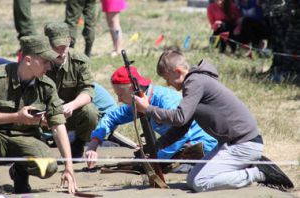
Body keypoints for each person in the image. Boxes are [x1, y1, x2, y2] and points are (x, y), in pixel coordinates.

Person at [133, 50, 294, 192]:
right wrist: (156, 147)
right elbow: (182, 126)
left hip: (243, 144)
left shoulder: (194, 82)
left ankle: (257, 172)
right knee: (191, 180)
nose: (168, 84)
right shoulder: (196, 82)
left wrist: (147, 109)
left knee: (200, 182)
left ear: (178, 71)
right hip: (232, 143)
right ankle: (247, 166)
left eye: (167, 79)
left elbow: (179, 117)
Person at [0, 35, 77, 195]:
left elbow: (58, 125)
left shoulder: (46, 85)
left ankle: (20, 173)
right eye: (45, 62)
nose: (49, 66)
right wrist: (16, 117)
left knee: (48, 167)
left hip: (27, 138)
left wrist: (69, 167)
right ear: (28, 60)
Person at [85, 66, 218, 170]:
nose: (119, 100)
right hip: (176, 146)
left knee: (177, 170)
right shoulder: (137, 101)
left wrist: (156, 159)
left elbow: (181, 135)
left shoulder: (166, 102)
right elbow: (111, 118)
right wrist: (94, 142)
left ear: (133, 90)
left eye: (120, 94)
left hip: (202, 145)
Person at [44, 22, 99, 158]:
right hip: (44, 114)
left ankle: (78, 144)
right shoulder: (38, 61)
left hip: (70, 114)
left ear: (70, 41)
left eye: (65, 46)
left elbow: (88, 91)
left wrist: (71, 106)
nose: (61, 51)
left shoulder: (80, 61)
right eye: (57, 47)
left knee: (90, 112)